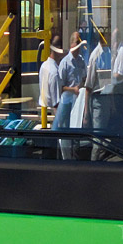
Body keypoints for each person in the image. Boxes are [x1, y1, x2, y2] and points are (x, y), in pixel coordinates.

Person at [54, 31, 86, 159]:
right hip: (67, 101)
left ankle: (76, 156)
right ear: (72, 45)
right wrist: (74, 89)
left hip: (78, 100)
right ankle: (67, 158)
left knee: (76, 129)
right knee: (66, 129)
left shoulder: (81, 60)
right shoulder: (65, 63)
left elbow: (84, 76)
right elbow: (60, 87)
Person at [38, 35, 63, 128]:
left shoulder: (44, 66)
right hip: (53, 115)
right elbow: (56, 103)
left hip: (44, 111)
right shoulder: (54, 72)